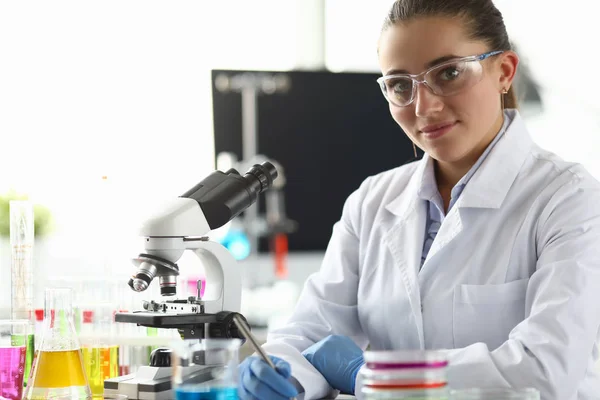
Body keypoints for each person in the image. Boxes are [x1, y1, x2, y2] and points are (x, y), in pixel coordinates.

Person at [238, 0, 600, 399]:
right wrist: (283, 372)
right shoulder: (373, 201)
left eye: (449, 73)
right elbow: (310, 333)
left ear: (504, 72)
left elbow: (544, 370)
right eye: (400, 85)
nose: (424, 107)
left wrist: (369, 375)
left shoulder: (570, 199)